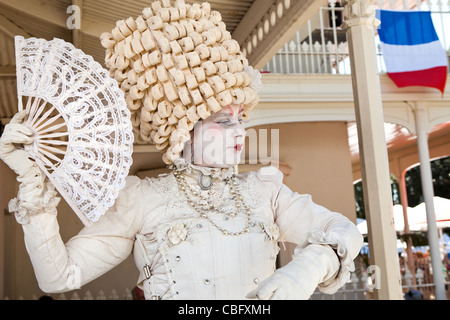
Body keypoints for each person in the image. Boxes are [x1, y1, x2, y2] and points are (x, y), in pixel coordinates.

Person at [0, 0, 363, 300]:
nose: (239, 130)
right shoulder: (143, 200)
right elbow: (58, 277)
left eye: (240, 117)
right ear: (183, 130)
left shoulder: (265, 193)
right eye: (223, 121)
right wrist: (33, 183)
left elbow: (343, 229)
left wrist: (308, 268)